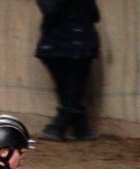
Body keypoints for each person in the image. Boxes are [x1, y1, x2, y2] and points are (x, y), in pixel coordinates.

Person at [35, 0, 101, 141]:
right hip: (78, 41)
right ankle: (81, 127)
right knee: (71, 89)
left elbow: (50, 10)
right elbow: (94, 15)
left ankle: (59, 127)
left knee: (68, 89)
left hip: (59, 43)